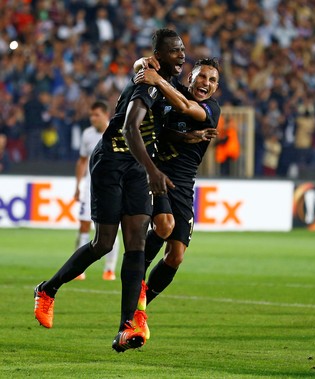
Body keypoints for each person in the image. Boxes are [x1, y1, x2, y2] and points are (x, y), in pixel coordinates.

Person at [33, 28, 186, 352]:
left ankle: (125, 329)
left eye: (183, 50)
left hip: (136, 167)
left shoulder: (166, 82)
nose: (181, 56)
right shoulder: (147, 84)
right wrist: (153, 170)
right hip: (112, 162)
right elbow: (131, 128)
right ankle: (47, 290)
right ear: (158, 57)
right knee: (104, 243)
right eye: (174, 51)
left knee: (135, 247)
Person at [132, 57, 221, 340]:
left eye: (212, 80)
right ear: (190, 77)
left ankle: (140, 303)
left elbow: (185, 109)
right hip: (157, 173)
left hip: (184, 185)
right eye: (202, 77)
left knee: (176, 256)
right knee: (164, 226)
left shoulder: (210, 109)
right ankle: (134, 280)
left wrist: (157, 81)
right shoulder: (171, 89)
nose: (206, 83)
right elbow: (140, 68)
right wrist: (141, 66)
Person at [73, 100, 119, 281]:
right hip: (90, 188)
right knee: (83, 226)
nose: (93, 118)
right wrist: (78, 185)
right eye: (91, 115)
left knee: (112, 229)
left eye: (96, 115)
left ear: (106, 115)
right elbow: (82, 160)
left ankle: (109, 269)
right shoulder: (87, 134)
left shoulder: (115, 132)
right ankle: (79, 269)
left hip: (110, 189)